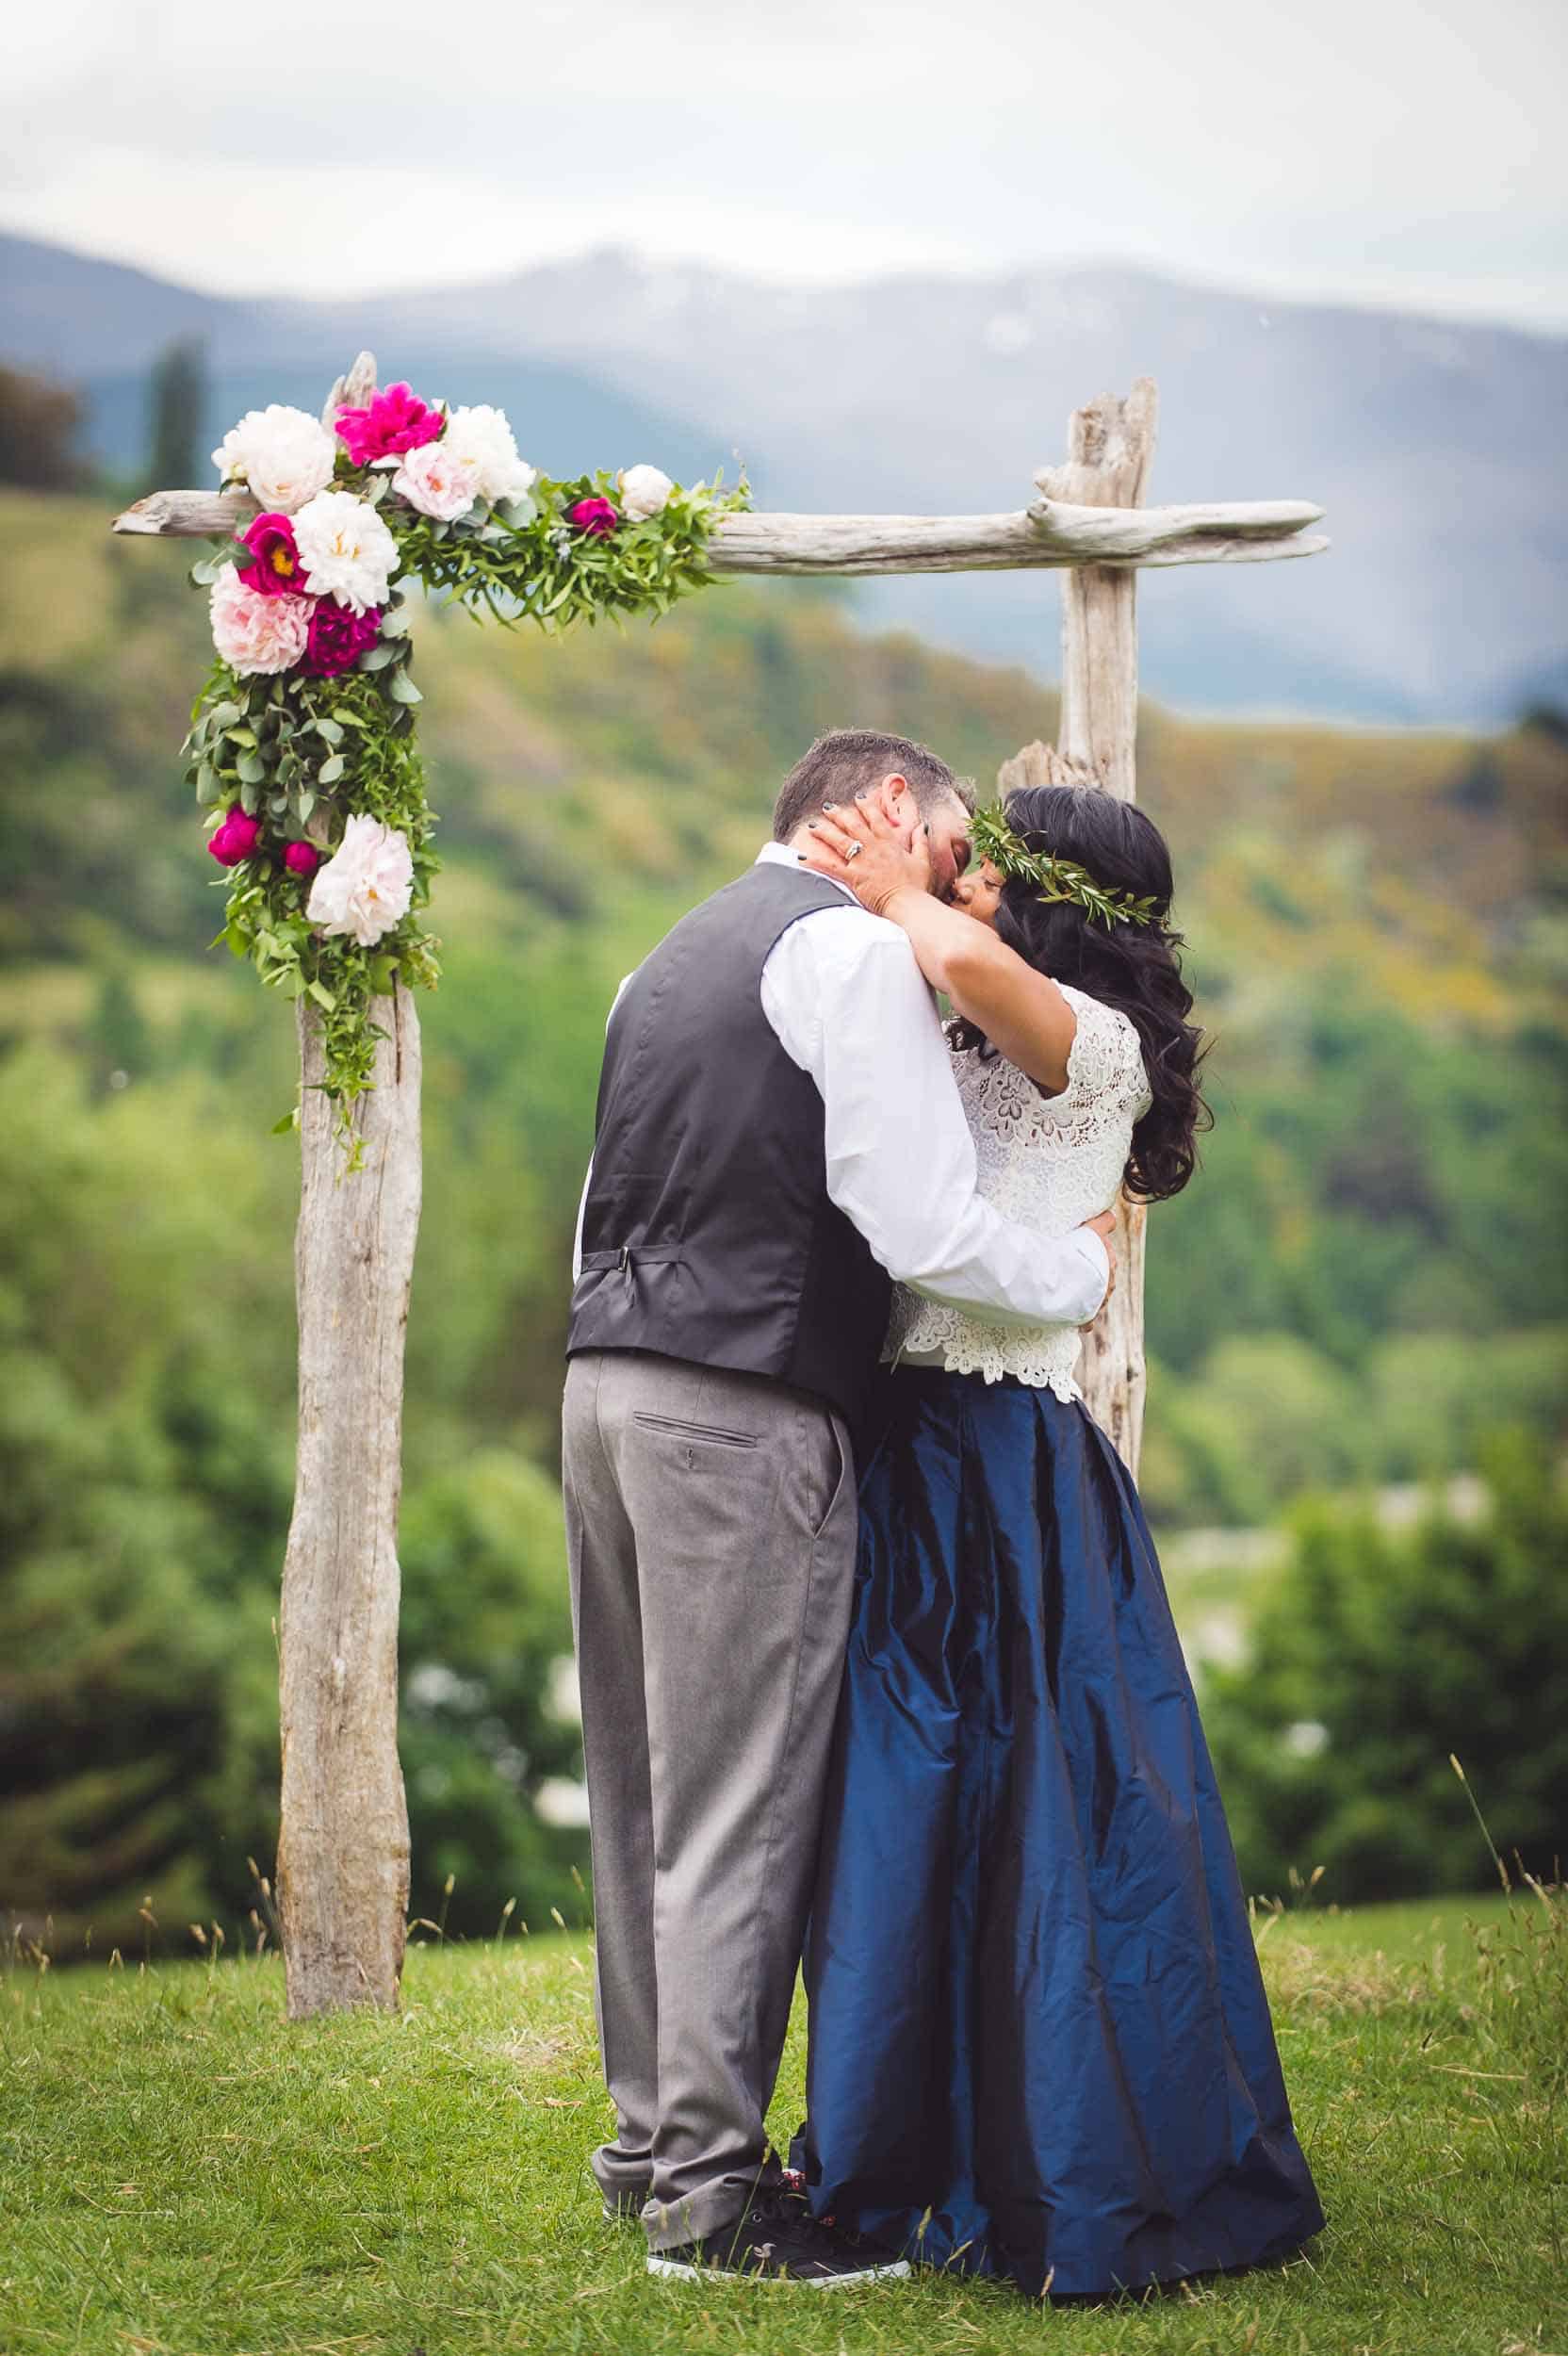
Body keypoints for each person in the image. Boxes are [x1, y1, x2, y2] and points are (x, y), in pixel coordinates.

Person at [561, 730, 1119, 2285]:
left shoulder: (660, 961)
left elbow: (603, 1206)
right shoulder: (849, 961)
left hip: (600, 1385)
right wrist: (1077, 1274)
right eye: (950, 851)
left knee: (642, 1789)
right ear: (882, 813)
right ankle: (712, 2203)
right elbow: (918, 1217)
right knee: (742, 1796)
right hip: (742, 1408)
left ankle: (644, 2147)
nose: (954, 891)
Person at [789, 782, 1327, 2300]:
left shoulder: (1093, 1047)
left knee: (1039, 1821)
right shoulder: (972, 1004)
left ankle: (1059, 2170)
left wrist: (901, 885)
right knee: (905, 1814)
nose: (956, 886)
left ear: (1049, 900)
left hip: (1004, 1473)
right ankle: (893, 2156)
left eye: (978, 869)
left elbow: (964, 969)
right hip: (911, 1452)